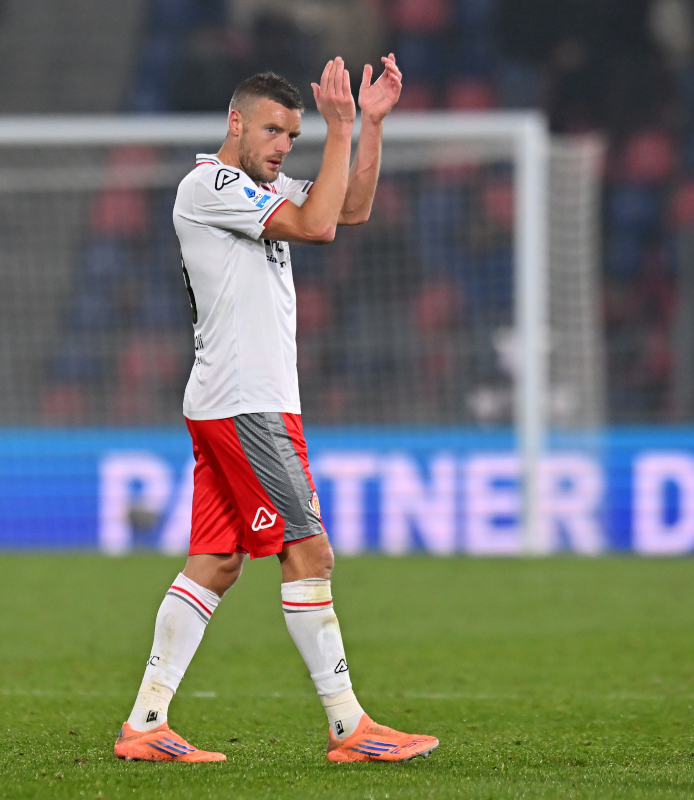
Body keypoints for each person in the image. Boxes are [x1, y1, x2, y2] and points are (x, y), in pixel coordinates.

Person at [114, 55, 438, 764]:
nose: (283, 148)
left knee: (217, 561)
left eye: (292, 137)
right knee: (309, 550)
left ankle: (144, 723)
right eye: (273, 132)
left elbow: (348, 208)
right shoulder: (211, 184)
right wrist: (341, 124)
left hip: (236, 401)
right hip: (246, 404)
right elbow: (319, 228)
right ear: (235, 123)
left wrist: (370, 127)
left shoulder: (258, 184)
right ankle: (350, 728)